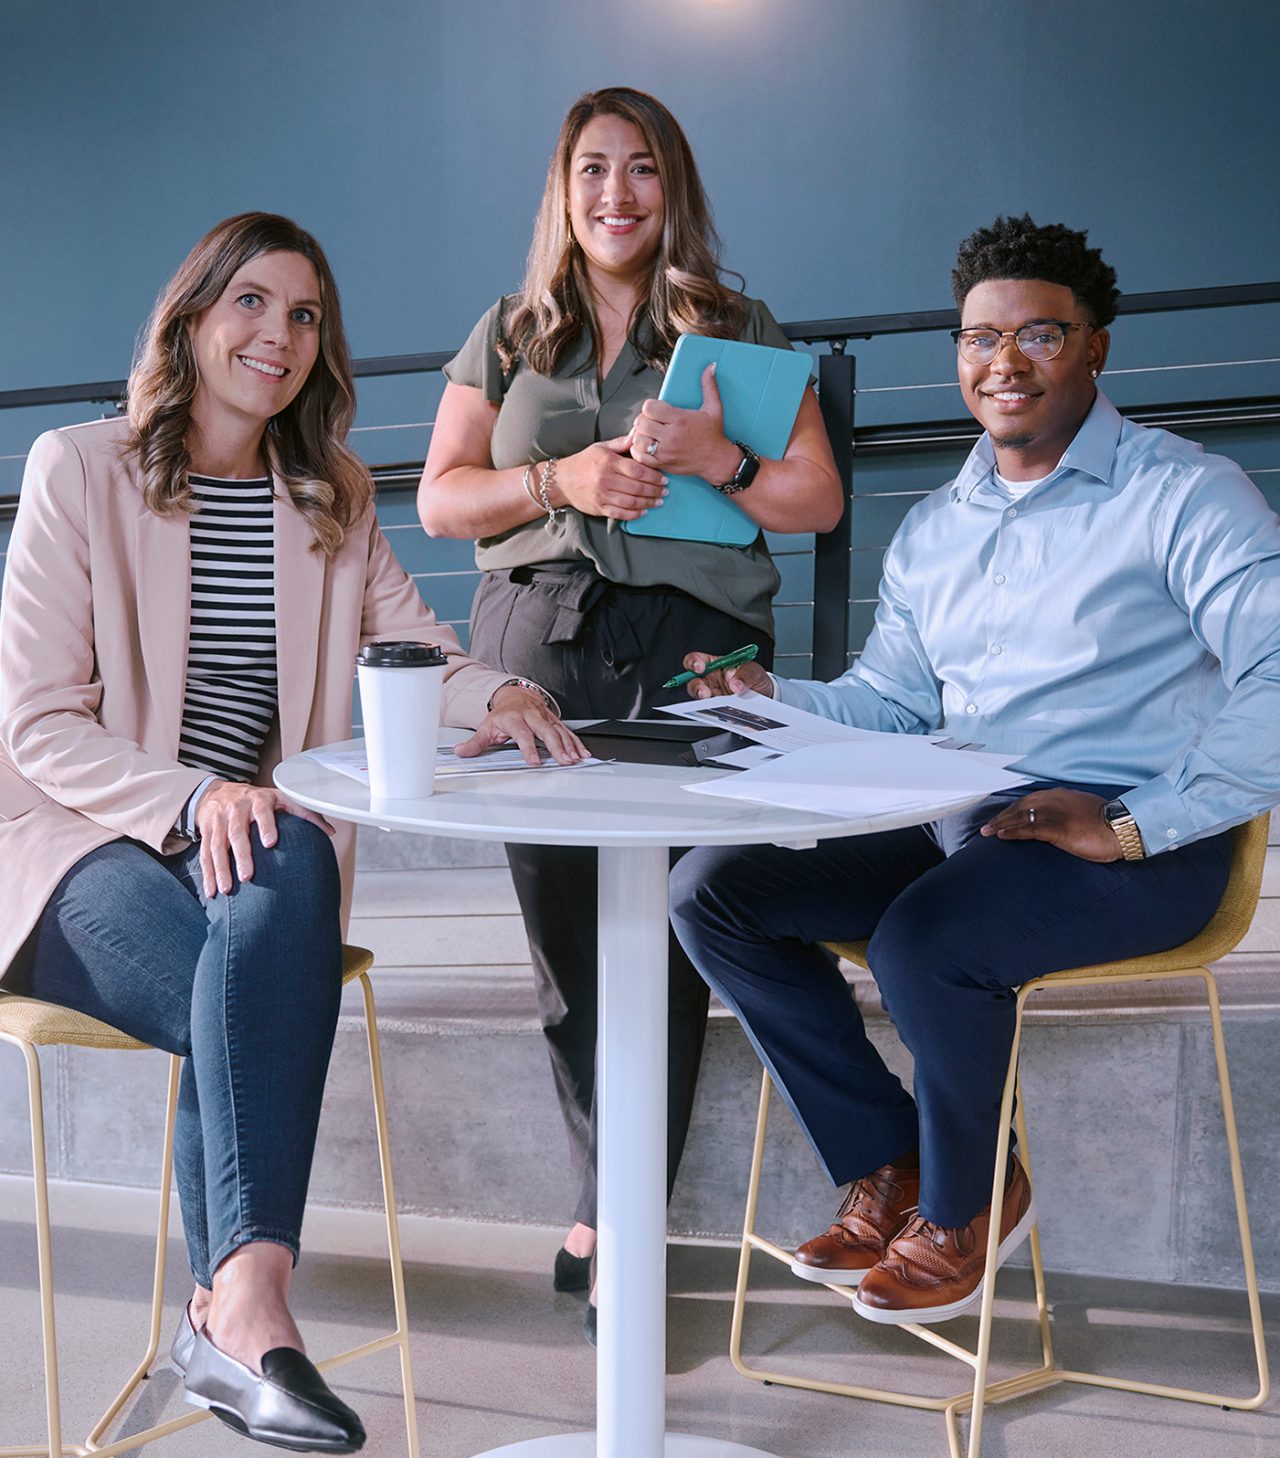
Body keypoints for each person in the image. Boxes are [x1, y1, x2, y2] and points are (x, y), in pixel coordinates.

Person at [0, 212, 583, 1452]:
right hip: (74, 843)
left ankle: (232, 1309)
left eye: (305, 315)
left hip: (254, 864)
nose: (278, 335)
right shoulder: (78, 466)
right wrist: (193, 794)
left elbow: (414, 643)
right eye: (252, 303)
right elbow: (39, 726)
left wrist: (502, 690)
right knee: (256, 968)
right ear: (194, 316)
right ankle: (249, 1306)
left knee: (287, 863)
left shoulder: (325, 497)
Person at [670, 215, 1280, 1326]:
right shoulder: (935, 527)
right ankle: (886, 1160)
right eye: (976, 338)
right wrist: (770, 699)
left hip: (1124, 836)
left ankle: (966, 1199)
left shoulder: (1181, 496)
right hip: (960, 813)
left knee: (926, 935)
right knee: (714, 890)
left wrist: (1138, 820)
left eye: (1037, 334)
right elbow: (891, 701)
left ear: (1095, 347)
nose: (1002, 362)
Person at [417, 86, 842, 1339]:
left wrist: (718, 458)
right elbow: (442, 500)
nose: (617, 195)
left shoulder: (737, 326)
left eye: (641, 169)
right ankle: (609, 1201)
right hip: (534, 646)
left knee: (661, 936)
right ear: (563, 189)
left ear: (674, 188)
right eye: (593, 170)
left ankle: (620, 1224)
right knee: (563, 950)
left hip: (692, 649)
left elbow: (812, 501)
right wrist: (558, 474)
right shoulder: (508, 331)